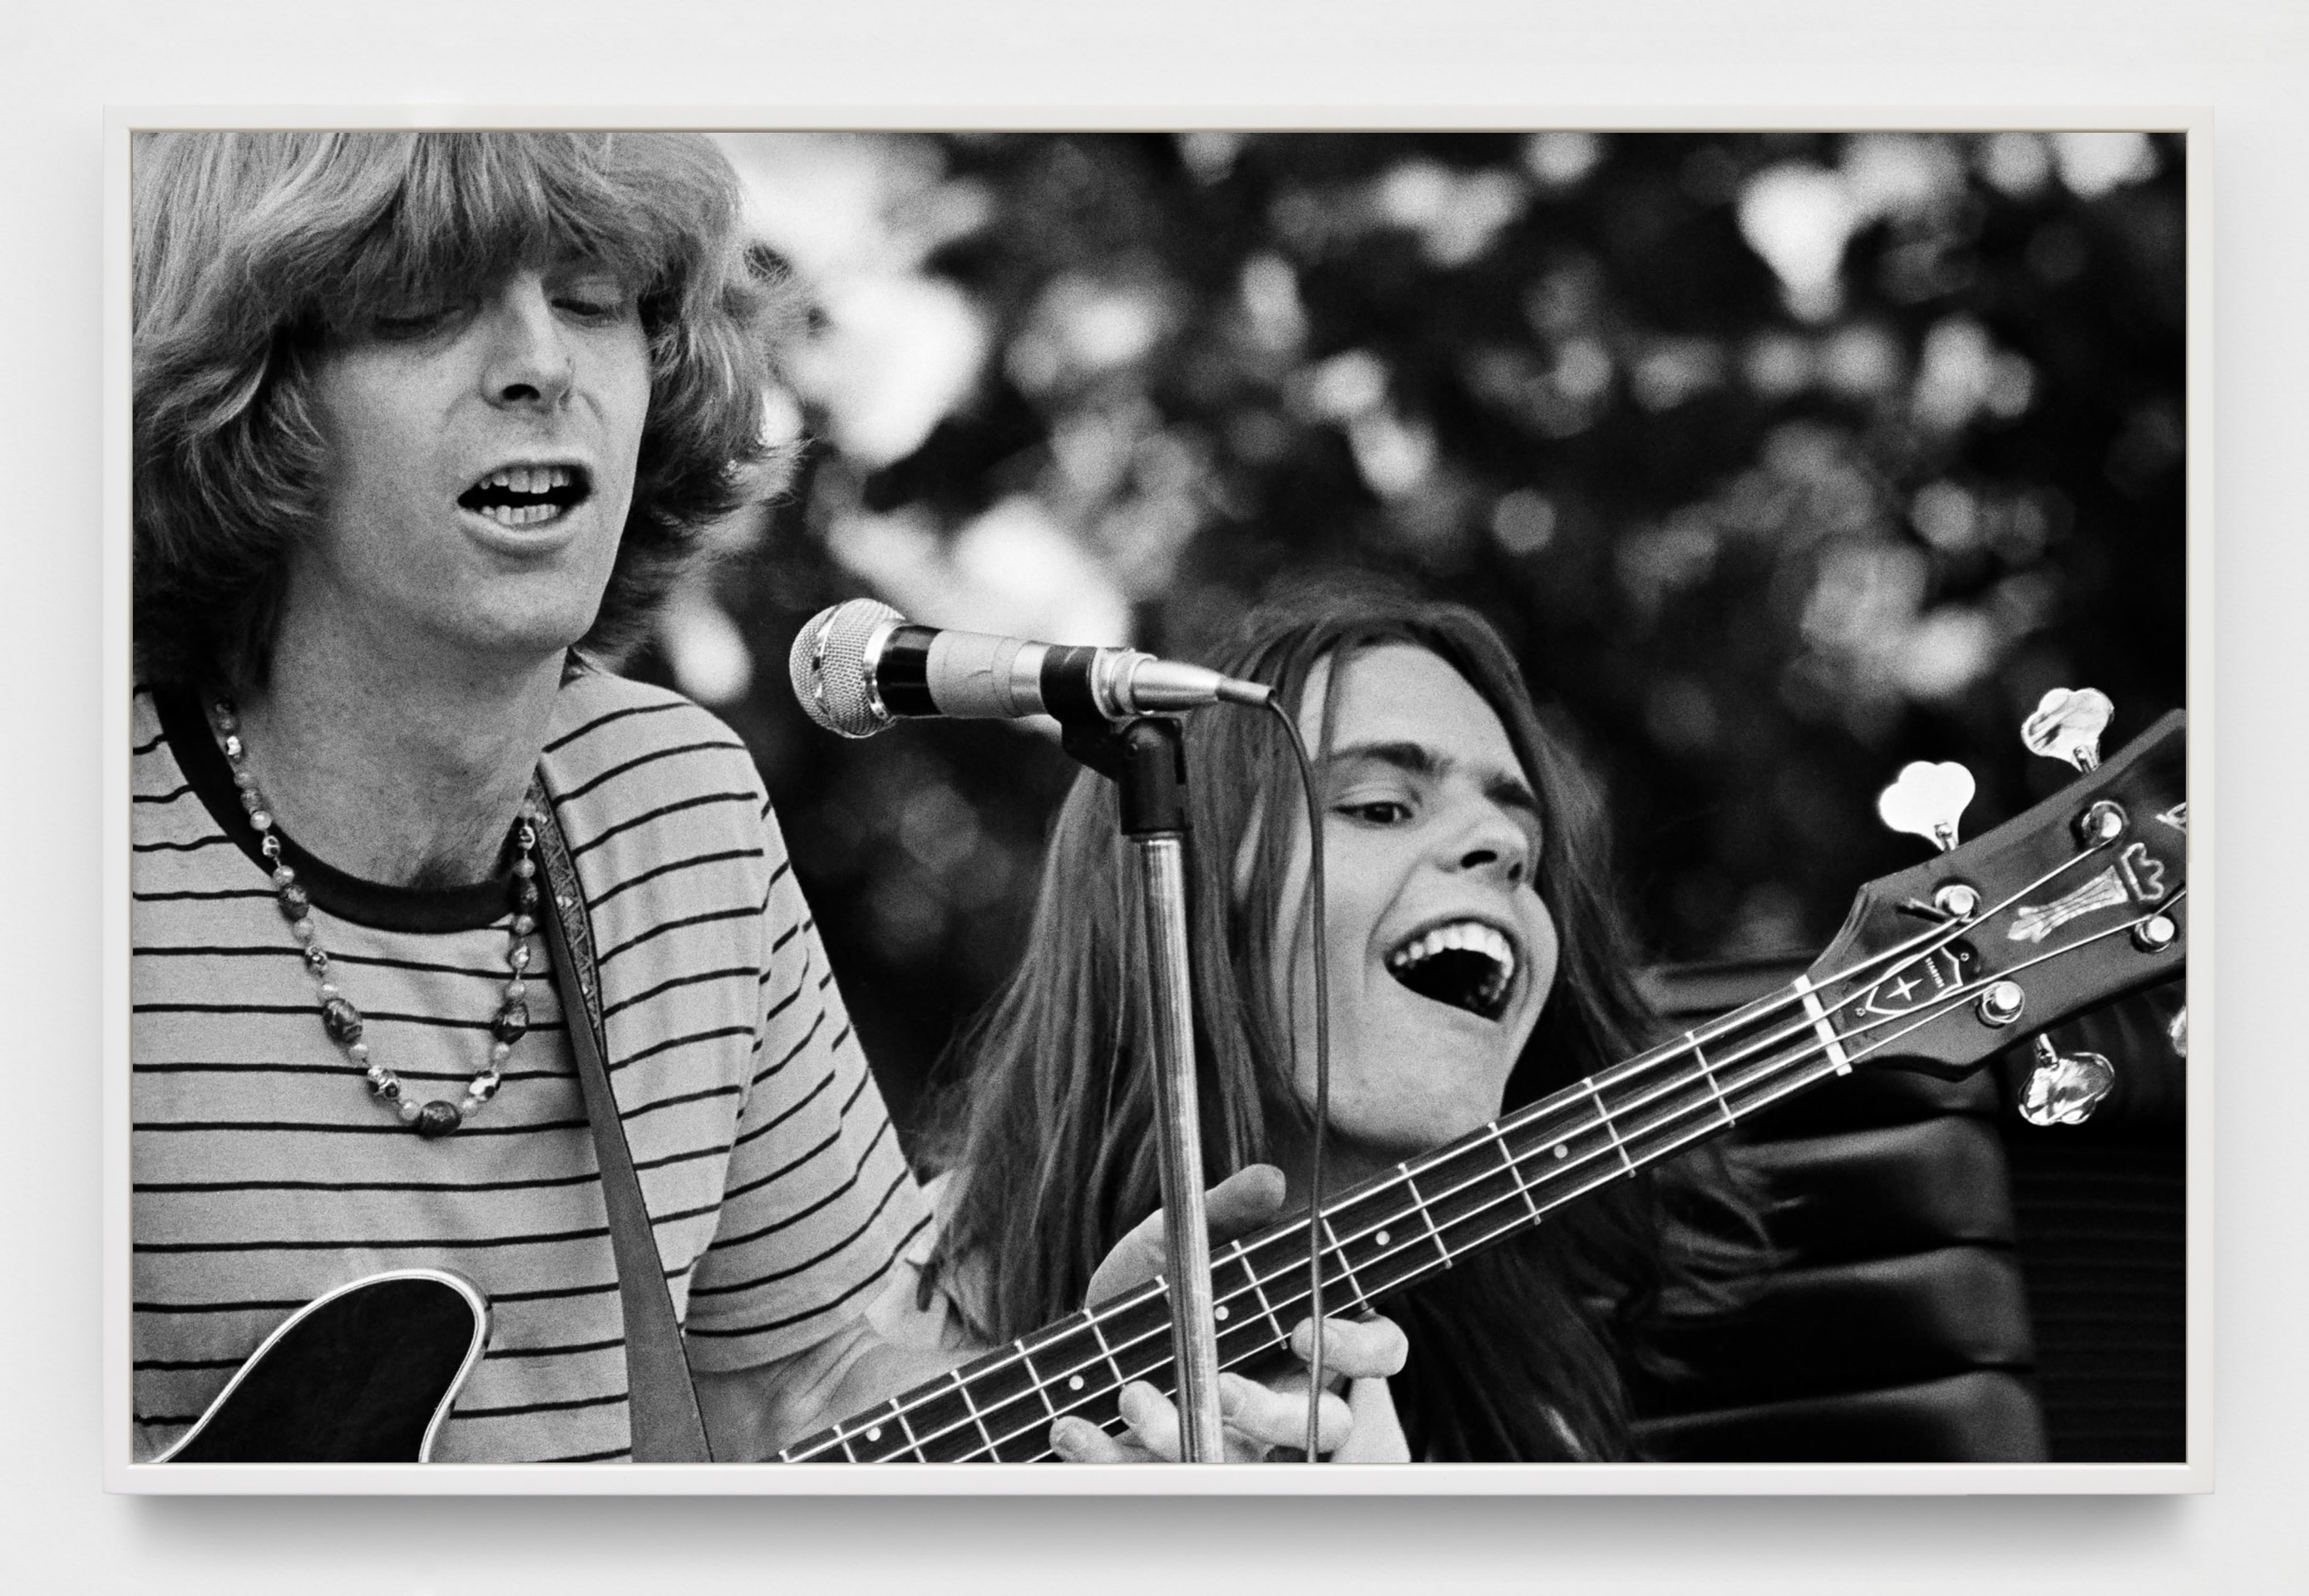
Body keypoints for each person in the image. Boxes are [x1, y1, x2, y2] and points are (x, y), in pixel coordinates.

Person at [128, 131, 1383, 1465]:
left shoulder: (674, 810)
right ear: (248, 388)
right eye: (422, 307)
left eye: (595, 298)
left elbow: (795, 1397)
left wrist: (1087, 1368)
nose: (541, 364)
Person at [880, 584, 1756, 1461]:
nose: (1502, 845)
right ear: (1170, 896)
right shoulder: (884, 1320)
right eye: (1379, 807)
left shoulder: (1536, 1403)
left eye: (1522, 843)